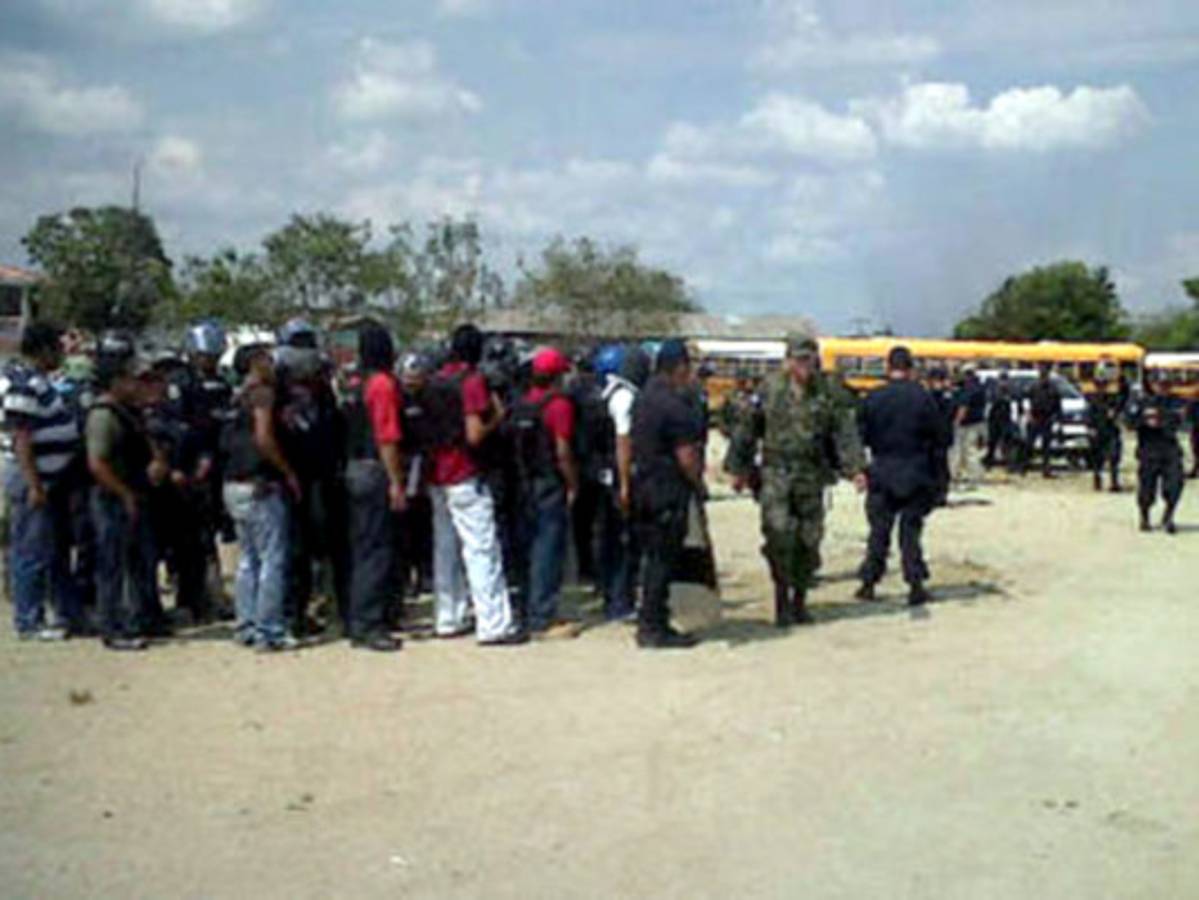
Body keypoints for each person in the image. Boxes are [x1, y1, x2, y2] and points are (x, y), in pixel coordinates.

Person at [728, 333, 866, 628]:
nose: (805, 366)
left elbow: (844, 431)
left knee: (808, 538)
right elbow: (747, 428)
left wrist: (855, 468)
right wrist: (738, 468)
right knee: (779, 535)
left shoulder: (827, 392)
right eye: (799, 359)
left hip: (811, 474)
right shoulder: (770, 388)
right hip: (775, 474)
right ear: (788, 361)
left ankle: (799, 600)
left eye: (810, 359)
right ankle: (781, 598)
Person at [424, 324, 523, 645]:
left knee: (445, 550)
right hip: (464, 472)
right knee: (482, 550)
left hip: (435, 473)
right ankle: (493, 624)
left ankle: (448, 617)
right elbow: (475, 433)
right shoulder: (472, 382)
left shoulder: (434, 380)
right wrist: (497, 416)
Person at [3, 323, 84, 640]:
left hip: (51, 479)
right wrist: (34, 483)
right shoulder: (23, 384)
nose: (62, 354)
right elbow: (21, 437)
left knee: (51, 549)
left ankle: (60, 613)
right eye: (57, 347)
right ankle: (29, 621)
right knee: (29, 550)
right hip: (31, 479)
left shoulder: (42, 382)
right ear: (43, 350)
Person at [85, 343, 168, 651]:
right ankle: (114, 627)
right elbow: (97, 464)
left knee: (139, 562)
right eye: (129, 379)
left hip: (133, 495)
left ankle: (141, 618)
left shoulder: (130, 412)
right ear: (114, 381)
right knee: (112, 566)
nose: (136, 384)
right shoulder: (103, 416)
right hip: (112, 500)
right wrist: (124, 494)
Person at [222, 343, 303, 651]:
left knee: (248, 560)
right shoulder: (262, 394)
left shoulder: (235, 396)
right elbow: (264, 438)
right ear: (254, 363)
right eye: (266, 358)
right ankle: (269, 629)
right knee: (272, 558)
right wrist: (287, 471)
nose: (273, 363)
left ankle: (246, 625)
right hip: (260, 485)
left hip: (233, 484)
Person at [854, 347, 945, 606]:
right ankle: (915, 584)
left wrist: (861, 469)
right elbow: (940, 440)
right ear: (911, 368)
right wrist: (939, 479)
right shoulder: (924, 398)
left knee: (878, 532)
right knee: (910, 532)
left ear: (887, 367)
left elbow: (860, 436)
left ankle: (869, 582)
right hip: (916, 470)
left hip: (882, 469)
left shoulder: (873, 398)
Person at [630, 339, 706, 648]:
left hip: (644, 486)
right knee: (663, 560)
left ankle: (650, 619)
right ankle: (654, 626)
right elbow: (686, 456)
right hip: (667, 490)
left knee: (651, 559)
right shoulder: (675, 406)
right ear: (679, 368)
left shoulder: (644, 399)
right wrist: (699, 484)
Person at [341, 324, 405, 652]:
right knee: (376, 549)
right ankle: (368, 624)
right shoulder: (381, 385)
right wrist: (396, 482)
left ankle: (360, 617)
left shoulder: (353, 384)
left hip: (352, 468)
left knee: (363, 547)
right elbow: (387, 437)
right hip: (373, 469)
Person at [513, 347, 580, 638]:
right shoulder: (559, 405)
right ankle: (543, 615)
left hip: (523, 481)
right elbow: (563, 450)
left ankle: (527, 608)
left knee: (528, 547)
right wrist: (572, 483)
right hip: (549, 481)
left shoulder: (524, 403)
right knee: (548, 549)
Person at [596, 344, 649, 621]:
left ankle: (614, 596)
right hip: (619, 475)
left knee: (612, 539)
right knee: (623, 540)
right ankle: (620, 602)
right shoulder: (625, 398)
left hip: (608, 475)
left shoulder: (608, 394)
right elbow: (623, 442)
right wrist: (626, 484)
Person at [1130, 375, 1184, 534]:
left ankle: (1168, 516)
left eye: (1166, 384)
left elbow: (1182, 418)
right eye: (1160, 384)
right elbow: (1129, 421)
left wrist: (1161, 419)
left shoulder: (1176, 402)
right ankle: (1144, 517)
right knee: (1146, 487)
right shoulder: (1142, 401)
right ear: (1153, 385)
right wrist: (1144, 420)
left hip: (1170, 450)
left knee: (1175, 484)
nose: (1163, 388)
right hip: (1149, 449)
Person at [1086, 374, 1123, 492]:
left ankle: (1114, 482)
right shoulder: (1092, 400)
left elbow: (1119, 411)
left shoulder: (1113, 399)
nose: (1101, 387)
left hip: (1111, 430)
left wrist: (1115, 415)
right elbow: (1089, 416)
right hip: (1098, 431)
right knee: (1097, 458)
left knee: (1114, 457)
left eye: (1103, 384)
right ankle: (1097, 479)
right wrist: (1090, 428)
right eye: (1099, 385)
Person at [951, 366, 986, 486]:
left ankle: (959, 476)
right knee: (972, 451)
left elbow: (963, 407)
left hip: (966, 425)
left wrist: (956, 422)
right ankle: (975, 476)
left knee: (961, 451)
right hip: (978, 423)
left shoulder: (968, 389)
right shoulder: (980, 387)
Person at [926, 366, 955, 506]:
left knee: (940, 467)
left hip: (939, 437)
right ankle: (935, 494)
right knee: (934, 467)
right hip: (933, 437)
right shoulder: (935, 396)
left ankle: (939, 494)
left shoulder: (943, 397)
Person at [1026, 367, 1061, 478]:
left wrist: (1057, 418)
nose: (1044, 378)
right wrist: (1029, 415)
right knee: (1029, 444)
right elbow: (1027, 400)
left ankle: (1046, 469)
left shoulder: (1053, 389)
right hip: (1036, 417)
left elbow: (1057, 404)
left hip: (1047, 418)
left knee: (1046, 446)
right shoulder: (1034, 387)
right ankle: (1022, 467)